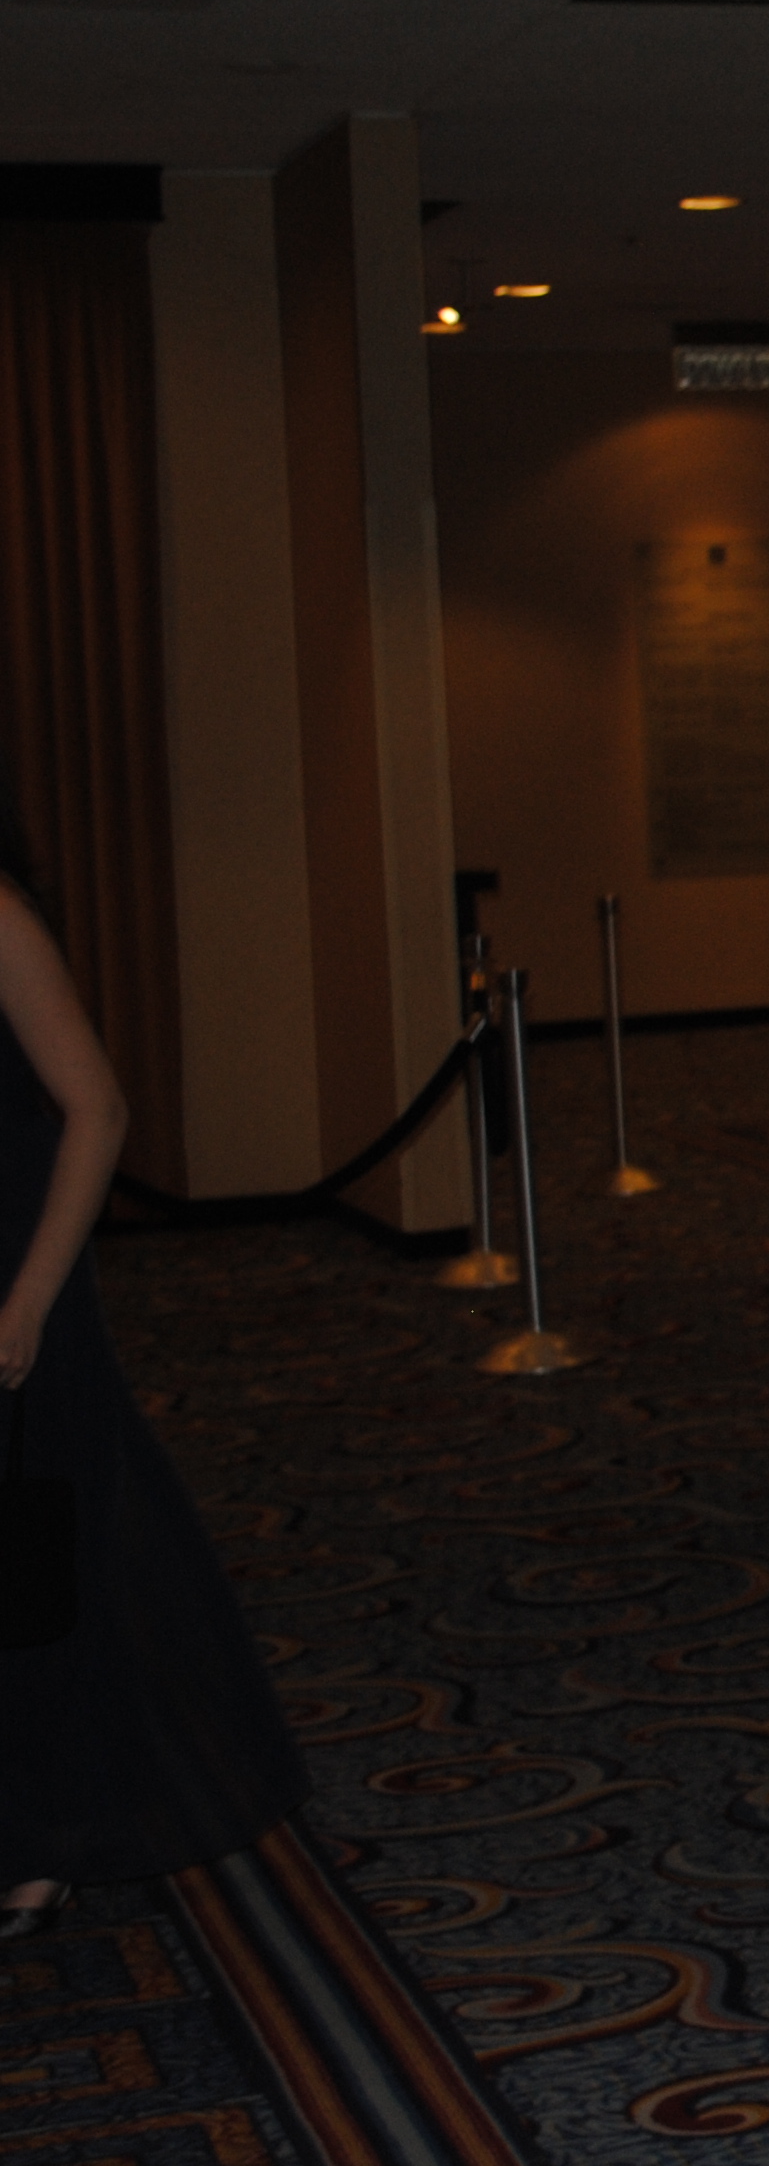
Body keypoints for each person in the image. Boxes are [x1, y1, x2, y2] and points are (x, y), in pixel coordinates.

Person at [0, 784, 308, 1935]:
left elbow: (99, 1109)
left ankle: (45, 1835)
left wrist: (30, 1299)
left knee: (37, 1568)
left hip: (16, 1269)